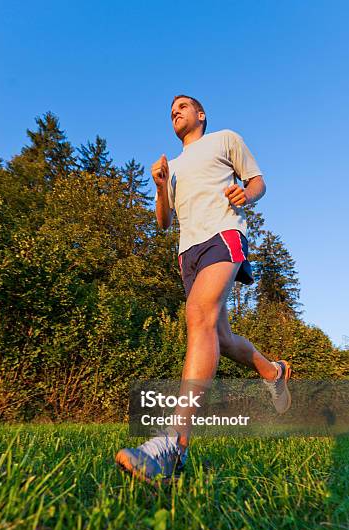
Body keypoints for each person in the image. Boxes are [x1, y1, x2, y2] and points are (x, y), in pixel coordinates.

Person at [116, 95, 292, 483]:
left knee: (198, 318)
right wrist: (161, 187)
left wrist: (248, 193)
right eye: (171, 110)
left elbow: (257, 181)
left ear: (201, 114)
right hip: (188, 252)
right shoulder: (172, 167)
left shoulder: (225, 139)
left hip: (223, 235)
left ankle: (172, 445)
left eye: (182, 106)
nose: (175, 111)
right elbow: (163, 221)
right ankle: (272, 371)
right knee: (221, 338)